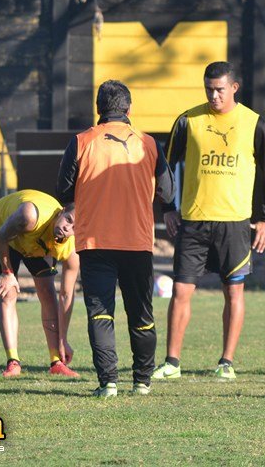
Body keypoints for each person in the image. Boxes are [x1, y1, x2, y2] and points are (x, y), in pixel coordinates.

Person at [153, 61, 265, 381]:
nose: (213, 95)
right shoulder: (188, 120)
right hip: (194, 222)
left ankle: (226, 361)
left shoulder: (253, 123)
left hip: (235, 224)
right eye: (209, 89)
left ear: (234, 88)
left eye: (220, 89)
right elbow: (166, 168)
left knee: (234, 293)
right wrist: (168, 207)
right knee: (181, 291)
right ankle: (172, 362)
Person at [57, 80, 174, 397]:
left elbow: (64, 190)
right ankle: (142, 382)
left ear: (98, 109)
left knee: (101, 314)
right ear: (129, 109)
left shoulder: (81, 142)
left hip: (95, 244)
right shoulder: (148, 143)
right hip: (137, 243)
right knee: (141, 314)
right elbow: (167, 191)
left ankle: (108, 383)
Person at [0, 190, 79, 378]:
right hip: (6, 235)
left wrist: (63, 339)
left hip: (38, 243)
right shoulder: (30, 215)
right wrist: (7, 273)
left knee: (47, 291)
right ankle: (13, 362)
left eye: (74, 228)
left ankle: (56, 362)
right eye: (68, 219)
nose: (67, 228)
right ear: (61, 212)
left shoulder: (71, 250)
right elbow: (0, 238)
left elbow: (66, 295)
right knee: (9, 291)